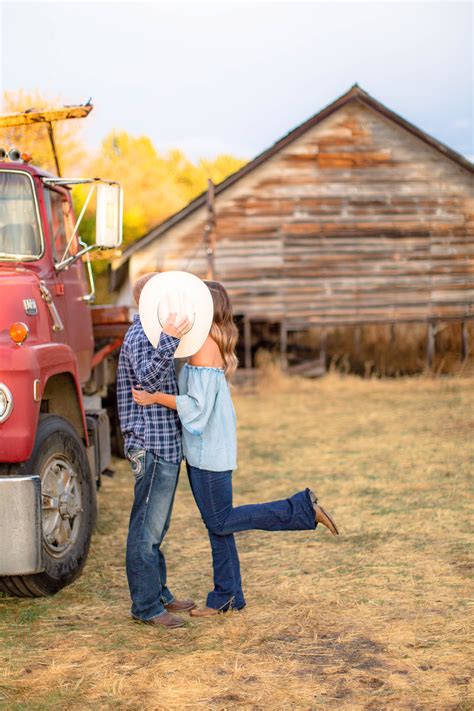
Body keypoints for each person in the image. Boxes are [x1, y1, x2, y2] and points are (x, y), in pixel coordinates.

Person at [132, 280, 339, 617]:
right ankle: (226, 597)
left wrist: (153, 397)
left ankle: (301, 510)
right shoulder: (211, 339)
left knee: (221, 519)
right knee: (219, 525)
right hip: (211, 447)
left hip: (207, 450)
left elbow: (196, 409)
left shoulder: (203, 347)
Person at [116, 273, 196, 629]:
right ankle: (146, 606)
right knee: (145, 529)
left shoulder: (155, 336)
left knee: (157, 526)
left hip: (164, 444)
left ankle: (158, 593)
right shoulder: (139, 336)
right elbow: (147, 382)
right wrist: (170, 340)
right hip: (149, 445)